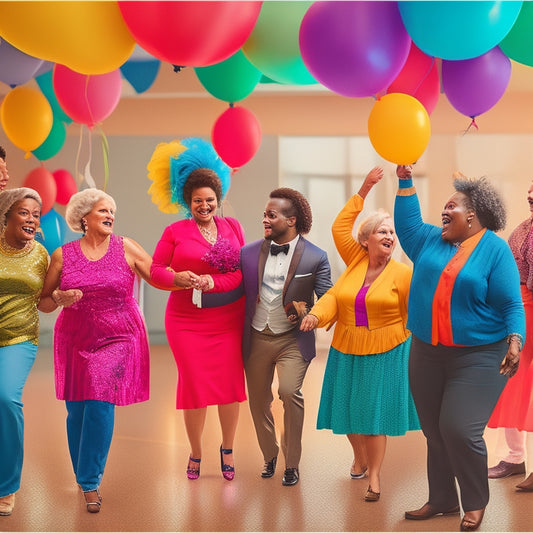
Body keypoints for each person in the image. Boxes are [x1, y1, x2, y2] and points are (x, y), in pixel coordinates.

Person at [395, 165, 525, 532]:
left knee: (458, 428)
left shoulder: (495, 251)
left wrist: (515, 341)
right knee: (434, 429)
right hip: (427, 350)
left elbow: (512, 305)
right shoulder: (430, 240)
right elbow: (406, 224)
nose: (443, 212)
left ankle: (475, 501)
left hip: (480, 355)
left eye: (450, 206)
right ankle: (442, 500)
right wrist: (405, 180)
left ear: (472, 215)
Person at [300, 167, 419, 502]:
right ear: (366, 240)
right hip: (347, 345)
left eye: (392, 233)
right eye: (383, 231)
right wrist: (366, 187)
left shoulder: (403, 273)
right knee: (349, 411)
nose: (390, 237)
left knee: (375, 415)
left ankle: (376, 478)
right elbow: (335, 293)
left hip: (388, 349)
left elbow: (414, 315)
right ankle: (360, 457)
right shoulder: (355, 261)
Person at [38, 188, 157, 513]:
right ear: (84, 217)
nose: (110, 216)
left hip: (118, 337)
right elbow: (45, 301)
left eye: (112, 211)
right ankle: (82, 472)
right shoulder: (63, 255)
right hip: (75, 338)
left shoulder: (126, 246)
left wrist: (183, 279)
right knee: (77, 411)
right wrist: (59, 299)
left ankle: (90, 481)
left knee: (100, 403)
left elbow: (156, 274)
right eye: (103, 210)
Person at [148, 137, 246, 482]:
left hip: (228, 317)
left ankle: (228, 448)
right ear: (187, 201)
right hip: (186, 321)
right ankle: (196, 451)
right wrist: (180, 277)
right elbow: (155, 270)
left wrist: (212, 284)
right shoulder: (175, 230)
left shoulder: (233, 228)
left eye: (210, 200)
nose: (204, 205)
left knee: (230, 384)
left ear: (218, 200)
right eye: (197, 200)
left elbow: (240, 272)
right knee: (194, 384)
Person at [241, 187, 332, 486]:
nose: (265, 219)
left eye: (271, 215)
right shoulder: (248, 252)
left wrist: (313, 314)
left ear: (291, 220)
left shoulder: (316, 256)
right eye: (264, 214)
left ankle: (291, 463)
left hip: (292, 339)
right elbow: (234, 290)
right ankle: (269, 454)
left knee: (290, 393)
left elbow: (327, 296)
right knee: (258, 401)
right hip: (256, 337)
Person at [0, 188, 47, 517]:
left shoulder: (42, 255)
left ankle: (7, 487)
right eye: (24, 212)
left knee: (5, 398)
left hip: (19, 337)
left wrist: (59, 298)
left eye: (36, 214)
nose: (31, 218)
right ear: (6, 216)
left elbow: (44, 301)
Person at [487, 179, 533, 490]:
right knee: (512, 383)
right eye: (529, 190)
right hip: (519, 314)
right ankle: (516, 457)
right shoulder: (523, 228)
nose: (530, 195)